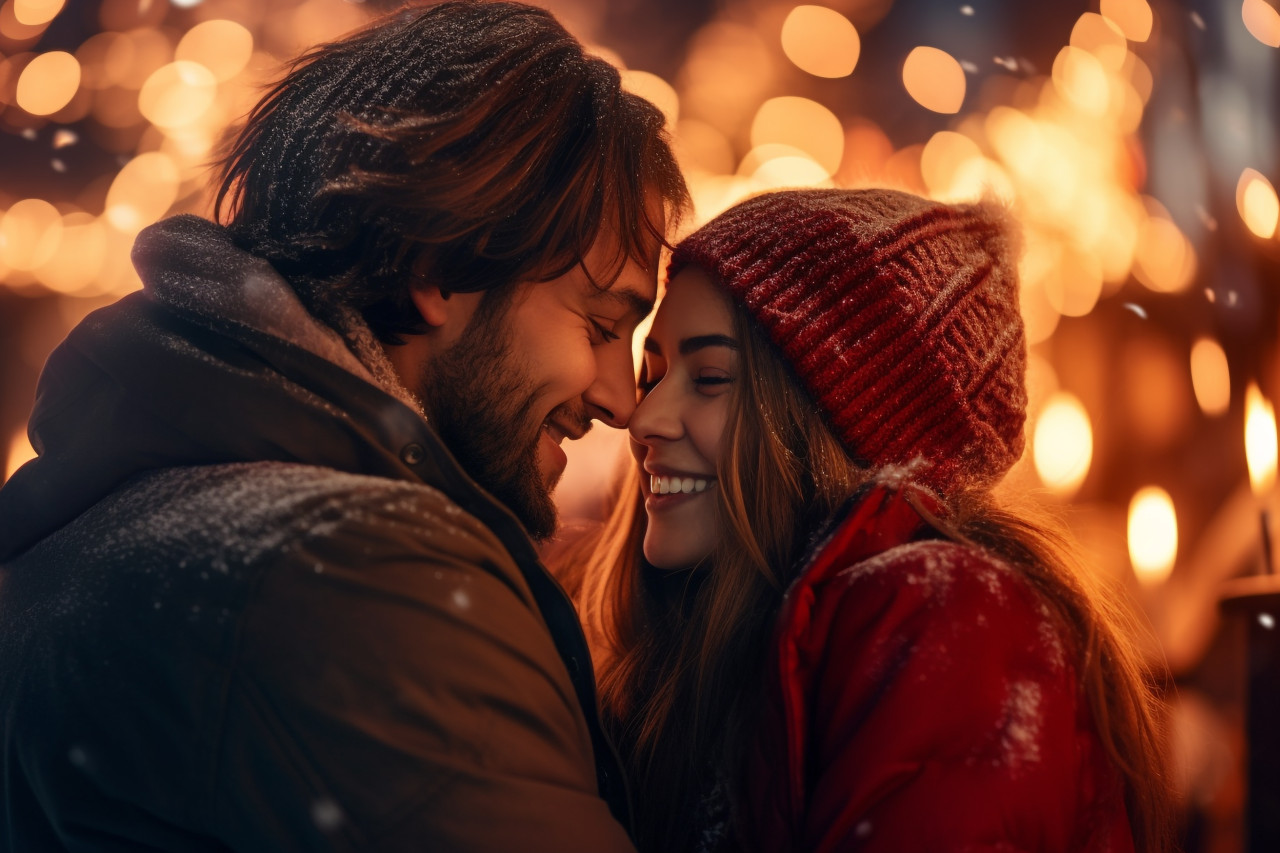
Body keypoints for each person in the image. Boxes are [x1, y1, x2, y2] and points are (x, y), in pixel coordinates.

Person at [0, 3, 687, 851]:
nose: (623, 400)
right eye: (599, 325)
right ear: (442, 263)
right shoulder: (362, 575)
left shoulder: (125, 502)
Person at [564, 189, 1175, 852]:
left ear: (832, 422)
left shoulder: (953, 619)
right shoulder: (705, 653)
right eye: (653, 373)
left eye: (710, 377)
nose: (643, 418)